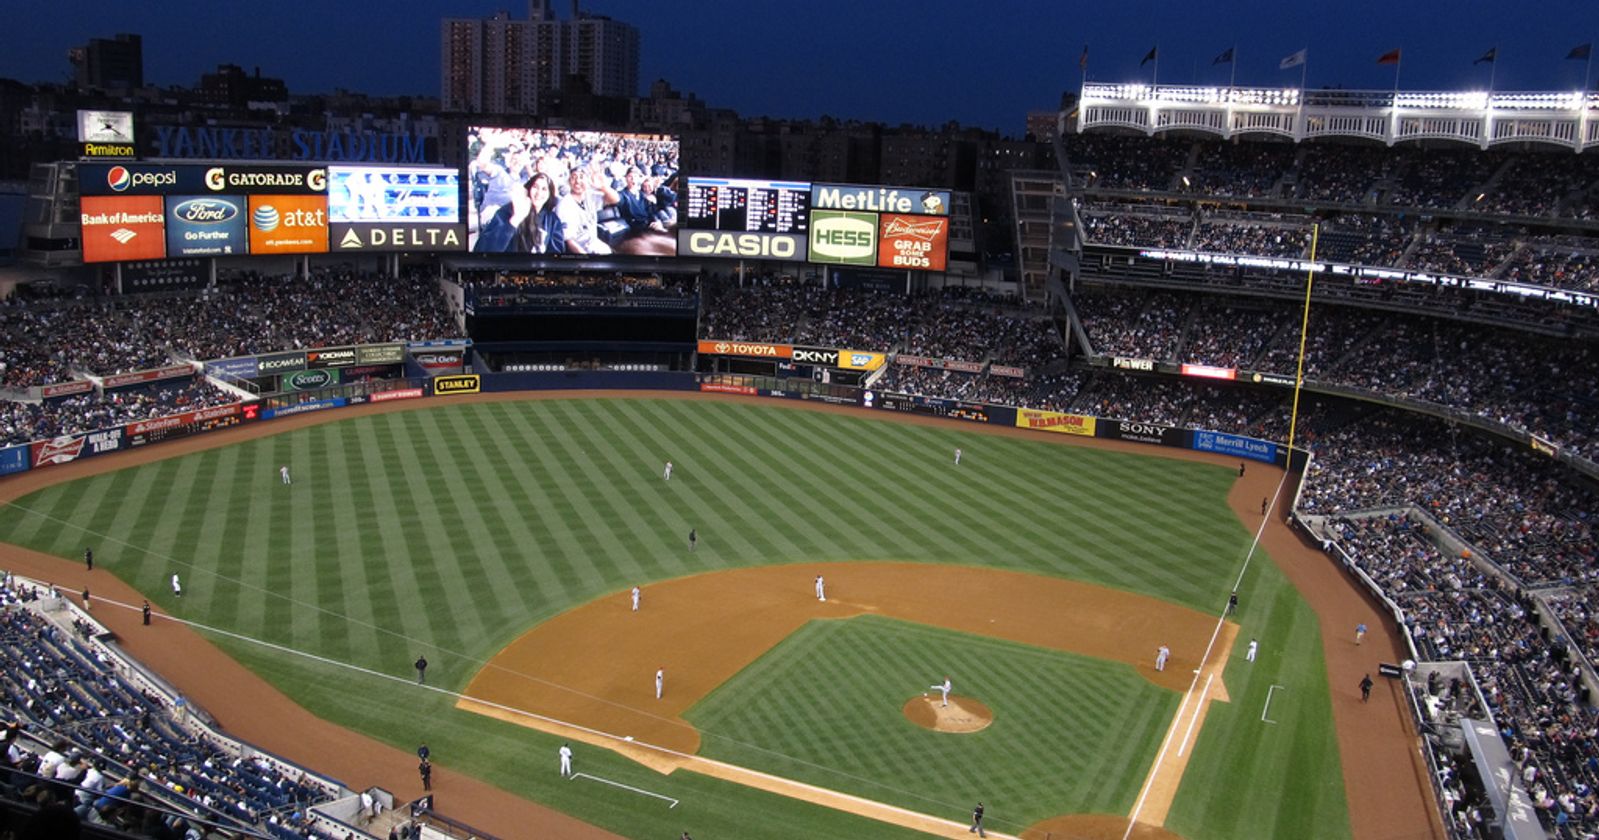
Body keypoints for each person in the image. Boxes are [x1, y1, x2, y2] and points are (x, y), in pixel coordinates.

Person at [556, 164, 618, 255]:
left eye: (581, 177)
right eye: (574, 177)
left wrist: (603, 186)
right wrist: (586, 259)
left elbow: (615, 199)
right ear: (569, 181)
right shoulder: (564, 205)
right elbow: (569, 241)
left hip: (594, 244)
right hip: (577, 253)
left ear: (587, 180)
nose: (577, 181)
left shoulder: (589, 195)